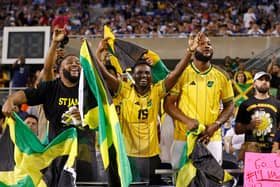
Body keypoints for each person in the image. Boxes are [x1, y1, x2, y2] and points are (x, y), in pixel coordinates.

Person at [95, 33, 201, 184]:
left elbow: (176, 73)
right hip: (127, 154)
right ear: (133, 75)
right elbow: (104, 75)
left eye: (147, 73)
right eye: (139, 73)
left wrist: (189, 52)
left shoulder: (157, 91)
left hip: (151, 155)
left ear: (151, 76)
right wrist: (95, 54)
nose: (143, 76)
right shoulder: (124, 90)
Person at [2, 35, 97, 181]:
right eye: (70, 62)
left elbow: (101, 114)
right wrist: (10, 100)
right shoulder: (50, 88)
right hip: (56, 154)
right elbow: (26, 93)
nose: (75, 64)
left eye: (78, 62)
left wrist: (90, 54)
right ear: (59, 69)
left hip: (84, 153)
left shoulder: (89, 88)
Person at [164, 34, 234, 168]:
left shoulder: (222, 75)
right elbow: (168, 105)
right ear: (194, 48)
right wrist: (187, 121)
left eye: (209, 43)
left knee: (211, 179)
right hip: (183, 136)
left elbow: (230, 105)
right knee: (182, 179)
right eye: (201, 43)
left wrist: (216, 125)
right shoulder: (182, 74)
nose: (207, 46)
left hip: (211, 137)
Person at [235, 71, 280, 161]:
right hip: (252, 151)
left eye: (267, 80)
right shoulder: (245, 104)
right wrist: (249, 126)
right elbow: (237, 130)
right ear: (254, 84)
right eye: (261, 79)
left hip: (272, 151)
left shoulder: (277, 104)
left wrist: (277, 146)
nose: (264, 82)